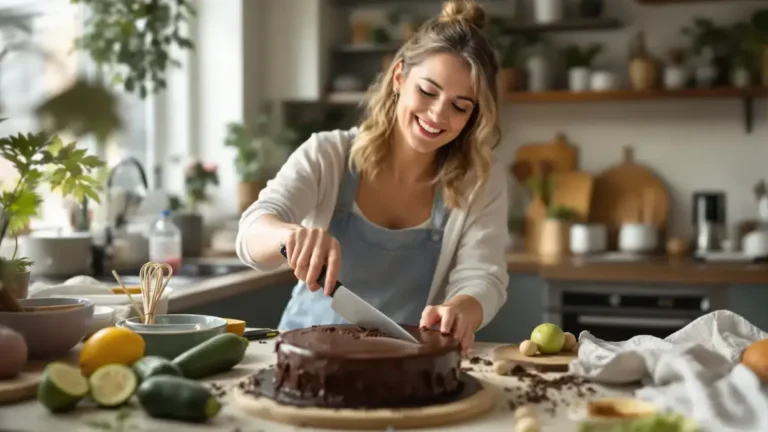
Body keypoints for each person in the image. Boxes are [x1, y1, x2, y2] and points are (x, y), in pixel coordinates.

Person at [235, 0, 509, 355]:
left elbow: (484, 277)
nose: (437, 114)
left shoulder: (480, 180)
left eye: (460, 106)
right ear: (399, 78)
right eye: (427, 91)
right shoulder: (328, 154)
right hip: (299, 354)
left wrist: (461, 310)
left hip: (403, 363)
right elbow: (252, 230)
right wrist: (291, 236)